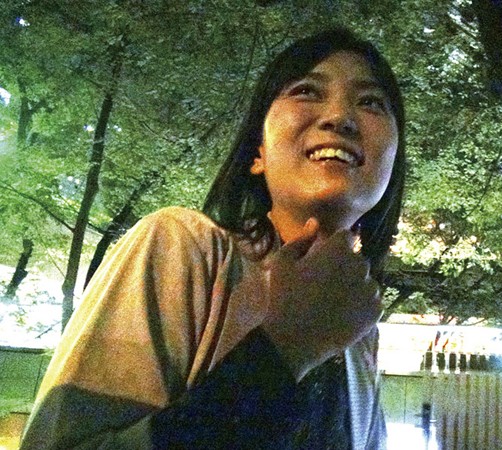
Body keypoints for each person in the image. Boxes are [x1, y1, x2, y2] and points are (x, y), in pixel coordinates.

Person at [20, 27, 405, 450]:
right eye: (307, 91)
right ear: (258, 153)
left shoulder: (360, 332)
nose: (339, 118)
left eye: (371, 102)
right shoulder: (181, 247)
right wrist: (284, 350)